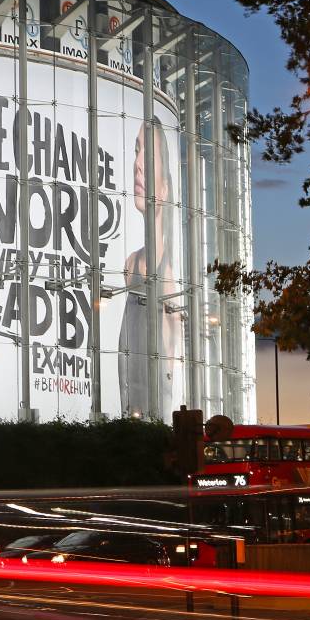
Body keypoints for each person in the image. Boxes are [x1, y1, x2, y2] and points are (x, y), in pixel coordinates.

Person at [118, 118, 182, 417]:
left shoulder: (168, 275)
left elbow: (171, 362)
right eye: (136, 151)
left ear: (166, 188)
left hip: (156, 411)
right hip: (130, 404)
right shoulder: (130, 264)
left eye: (149, 155)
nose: (138, 165)